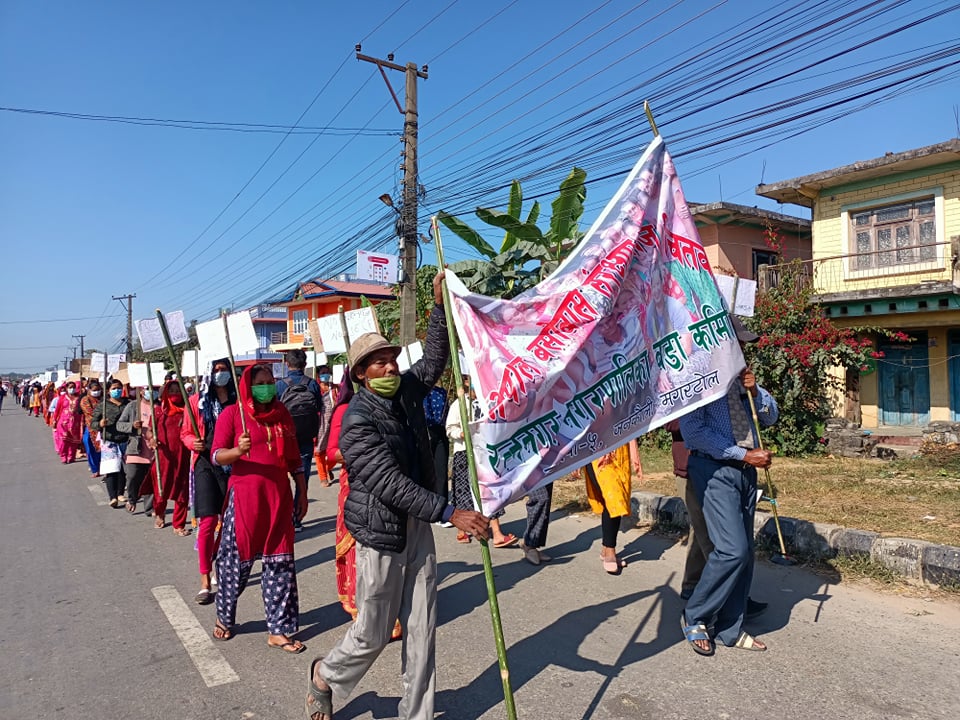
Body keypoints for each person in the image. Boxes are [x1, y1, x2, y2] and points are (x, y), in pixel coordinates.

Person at [306, 273, 490, 720]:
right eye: (378, 362)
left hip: (417, 527)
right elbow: (389, 484)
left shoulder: (406, 392)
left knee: (423, 627)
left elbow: (431, 362)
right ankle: (325, 676)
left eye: (391, 358)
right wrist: (450, 512)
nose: (390, 367)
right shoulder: (355, 422)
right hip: (381, 533)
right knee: (371, 632)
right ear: (361, 374)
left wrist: (439, 309)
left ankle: (417, 714)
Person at [678, 317, 778, 656]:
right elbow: (694, 433)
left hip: (745, 472)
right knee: (731, 550)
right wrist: (742, 454)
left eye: (745, 346)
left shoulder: (742, 380)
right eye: (738, 344)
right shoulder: (698, 379)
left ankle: (731, 628)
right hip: (715, 469)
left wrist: (755, 391)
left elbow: (770, 417)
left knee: (745, 553)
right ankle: (696, 613)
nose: (744, 351)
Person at [210, 363, 307, 652]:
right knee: (234, 566)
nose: (266, 387)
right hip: (245, 502)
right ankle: (225, 618)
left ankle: (278, 630)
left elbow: (294, 460)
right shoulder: (232, 415)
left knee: (279, 564)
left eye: (269, 381)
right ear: (247, 387)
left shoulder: (282, 415)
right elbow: (216, 456)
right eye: (260, 382)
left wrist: (301, 492)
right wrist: (238, 451)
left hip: (278, 499)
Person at [667, 420, 768, 616]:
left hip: (722, 468)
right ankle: (722, 604)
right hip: (692, 468)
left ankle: (693, 585)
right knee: (716, 541)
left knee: (702, 531)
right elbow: (672, 424)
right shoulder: (683, 392)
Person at [181, 358, 236, 605]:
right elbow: (186, 433)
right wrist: (194, 442)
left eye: (224, 370)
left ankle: (221, 560)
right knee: (207, 522)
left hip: (234, 464)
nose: (220, 374)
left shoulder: (238, 401)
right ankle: (205, 579)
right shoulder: (196, 402)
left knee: (230, 522)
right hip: (205, 463)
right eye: (216, 370)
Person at [445, 381, 518, 548]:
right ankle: (462, 529)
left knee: (489, 490)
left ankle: (497, 534)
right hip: (464, 452)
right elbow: (450, 428)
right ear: (465, 382)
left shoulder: (487, 404)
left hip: (484, 453)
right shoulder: (460, 404)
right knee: (464, 491)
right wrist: (461, 433)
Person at [276, 349, 322, 532]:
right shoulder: (312, 385)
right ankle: (296, 519)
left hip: (284, 439)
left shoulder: (279, 385)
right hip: (304, 439)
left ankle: (282, 518)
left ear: (287, 364)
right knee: (302, 481)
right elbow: (319, 407)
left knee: (280, 480)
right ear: (305, 364)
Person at [584, 438, 640, 575]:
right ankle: (610, 550)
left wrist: (634, 451)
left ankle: (606, 549)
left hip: (620, 451)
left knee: (615, 500)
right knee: (613, 499)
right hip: (597, 452)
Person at [153, 380, 191, 536]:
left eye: (178, 391)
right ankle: (160, 512)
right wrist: (152, 439)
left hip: (184, 457)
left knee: (182, 491)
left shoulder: (188, 412)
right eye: (172, 391)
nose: (175, 394)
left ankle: (179, 524)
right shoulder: (158, 412)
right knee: (161, 489)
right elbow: (150, 431)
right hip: (164, 458)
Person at [117, 386, 158, 517]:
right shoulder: (133, 406)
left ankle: (149, 507)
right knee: (133, 477)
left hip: (153, 450)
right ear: (141, 391)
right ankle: (132, 499)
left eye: (155, 388)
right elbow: (120, 425)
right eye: (148, 388)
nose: (151, 391)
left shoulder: (159, 407)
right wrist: (132, 426)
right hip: (135, 449)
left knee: (151, 480)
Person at [91, 379, 130, 508]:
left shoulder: (128, 404)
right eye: (114, 388)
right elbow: (93, 423)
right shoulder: (103, 406)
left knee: (124, 469)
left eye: (119, 388)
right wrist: (100, 424)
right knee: (111, 470)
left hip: (126, 439)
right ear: (108, 391)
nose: (117, 390)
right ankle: (112, 497)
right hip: (109, 441)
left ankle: (120, 493)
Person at [424, 383, 449, 500]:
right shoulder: (416, 391)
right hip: (423, 431)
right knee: (426, 470)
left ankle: (442, 502)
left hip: (440, 431)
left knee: (441, 470)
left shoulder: (441, 392)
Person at [314, 373, 336, 488]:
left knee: (335, 451)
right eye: (324, 384)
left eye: (328, 384)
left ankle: (328, 467)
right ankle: (323, 477)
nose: (326, 386)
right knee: (319, 452)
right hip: (319, 426)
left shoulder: (335, 392)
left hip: (333, 425)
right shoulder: (315, 392)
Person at [53, 381, 83, 463]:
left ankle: (71, 457)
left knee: (73, 442)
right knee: (64, 441)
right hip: (63, 423)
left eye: (73, 387)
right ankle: (63, 456)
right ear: (66, 388)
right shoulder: (62, 397)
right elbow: (57, 410)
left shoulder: (79, 397)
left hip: (75, 423)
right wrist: (55, 420)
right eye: (70, 387)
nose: (72, 389)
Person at [79, 380, 103, 478]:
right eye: (94, 390)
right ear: (89, 390)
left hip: (103, 427)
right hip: (91, 427)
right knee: (89, 446)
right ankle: (94, 469)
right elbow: (90, 412)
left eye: (98, 390)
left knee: (104, 448)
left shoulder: (103, 399)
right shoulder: (85, 400)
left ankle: (102, 467)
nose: (96, 392)